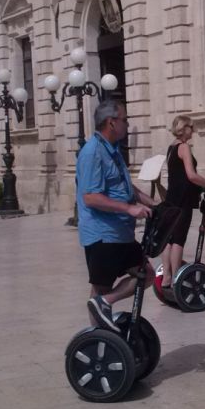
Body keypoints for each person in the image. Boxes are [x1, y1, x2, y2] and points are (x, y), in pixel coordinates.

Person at [76, 100, 156, 331]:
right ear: (111, 122)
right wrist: (129, 209)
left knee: (147, 275)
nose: (127, 124)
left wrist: (155, 205)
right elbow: (90, 197)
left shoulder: (113, 151)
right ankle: (99, 338)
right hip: (102, 235)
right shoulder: (92, 153)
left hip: (121, 233)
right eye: (124, 120)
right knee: (101, 286)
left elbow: (126, 188)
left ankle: (105, 304)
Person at [158, 115, 205, 296]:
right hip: (183, 200)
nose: (193, 130)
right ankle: (174, 279)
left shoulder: (171, 148)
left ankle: (166, 277)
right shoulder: (184, 147)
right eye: (191, 127)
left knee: (169, 240)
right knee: (179, 239)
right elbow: (191, 175)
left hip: (172, 198)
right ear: (183, 128)